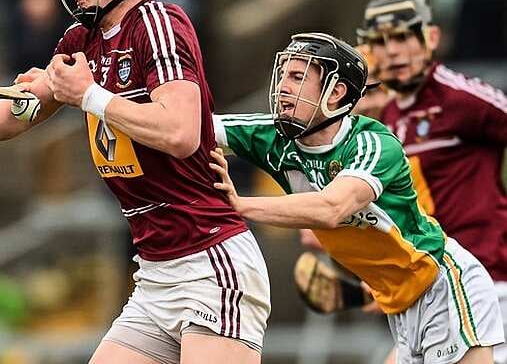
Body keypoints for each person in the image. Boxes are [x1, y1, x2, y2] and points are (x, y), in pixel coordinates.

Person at [0, 0, 271, 363]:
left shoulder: (158, 24)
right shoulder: (83, 38)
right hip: (157, 270)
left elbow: (180, 132)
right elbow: (34, 102)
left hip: (210, 264)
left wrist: (89, 95)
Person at [211, 32, 504, 363]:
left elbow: (331, 208)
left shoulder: (375, 143)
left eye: (296, 77)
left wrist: (241, 204)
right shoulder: (273, 138)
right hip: (402, 306)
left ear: (336, 93)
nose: (282, 87)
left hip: (443, 286)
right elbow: (192, 130)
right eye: (282, 75)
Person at [357, 0, 507, 363]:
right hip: (428, 284)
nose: (392, 51)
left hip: (484, 281)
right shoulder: (388, 117)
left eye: (404, 36)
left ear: (432, 38)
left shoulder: (462, 99)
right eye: (380, 42)